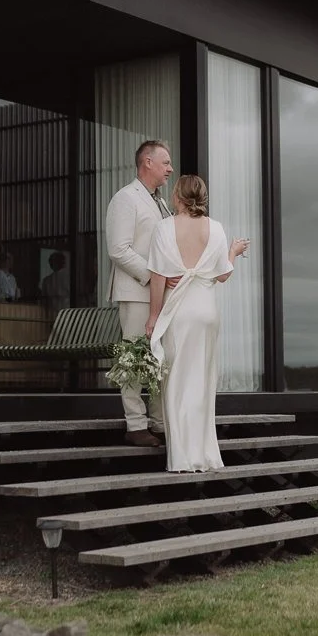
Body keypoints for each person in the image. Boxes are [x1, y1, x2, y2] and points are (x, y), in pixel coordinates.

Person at [146, 175, 249, 472]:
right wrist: (232, 252)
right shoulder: (215, 228)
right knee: (203, 384)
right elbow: (222, 275)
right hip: (207, 312)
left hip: (180, 311)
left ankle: (182, 457)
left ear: (178, 196)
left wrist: (153, 316)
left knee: (177, 382)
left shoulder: (165, 228)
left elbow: (158, 277)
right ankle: (205, 455)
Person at [105, 139, 179, 447]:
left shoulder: (161, 202)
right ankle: (135, 425)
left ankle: (159, 422)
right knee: (133, 358)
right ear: (146, 162)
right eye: (165, 163)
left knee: (161, 359)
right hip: (136, 292)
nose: (170, 169)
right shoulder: (125, 198)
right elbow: (117, 249)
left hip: (162, 296)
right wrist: (155, 277)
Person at [39, 251, 70, 315]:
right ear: (63, 262)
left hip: (53, 313)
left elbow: (44, 299)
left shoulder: (46, 280)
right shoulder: (69, 277)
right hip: (68, 311)